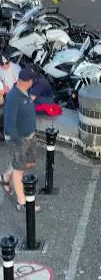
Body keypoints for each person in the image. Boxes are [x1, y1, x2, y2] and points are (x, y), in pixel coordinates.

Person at [0, 67, 43, 213]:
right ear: (27, 81)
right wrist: (19, 143)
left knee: (24, 164)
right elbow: (9, 125)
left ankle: (5, 177)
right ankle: (21, 202)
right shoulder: (13, 98)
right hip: (19, 139)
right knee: (20, 170)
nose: (33, 83)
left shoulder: (24, 91)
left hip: (29, 136)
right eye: (32, 81)